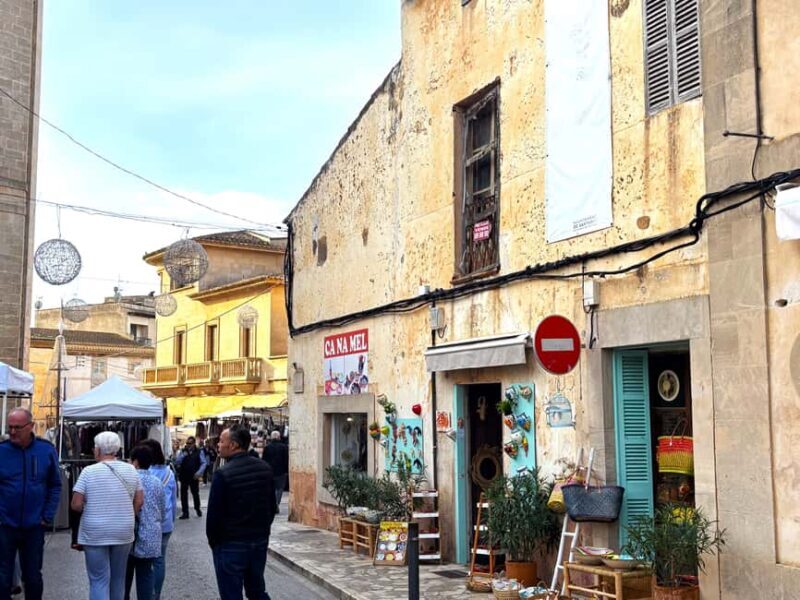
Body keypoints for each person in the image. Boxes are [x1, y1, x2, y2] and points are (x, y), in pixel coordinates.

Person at [206, 425, 277, 600]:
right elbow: (271, 506)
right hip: (258, 541)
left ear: (234, 445)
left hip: (230, 544)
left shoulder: (222, 474)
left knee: (231, 594)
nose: (218, 445)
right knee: (256, 590)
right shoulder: (265, 468)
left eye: (222, 441)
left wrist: (215, 543)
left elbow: (214, 516)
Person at [71, 431, 143, 600]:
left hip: (95, 531)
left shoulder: (88, 472)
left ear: (98, 450)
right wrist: (127, 515)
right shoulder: (131, 470)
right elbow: (139, 501)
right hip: (123, 530)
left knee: (98, 580)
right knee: (118, 579)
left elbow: (76, 504)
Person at [0, 408, 61, 600]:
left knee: (33, 577)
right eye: (10, 428)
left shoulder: (46, 450)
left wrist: (47, 516)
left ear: (30, 426)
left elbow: (55, 485)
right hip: (4, 526)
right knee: (2, 577)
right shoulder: (2, 451)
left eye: (18, 427)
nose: (13, 432)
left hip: (34, 525)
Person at [124, 445, 165, 600]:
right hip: (151, 536)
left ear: (135, 462)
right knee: (146, 574)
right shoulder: (157, 482)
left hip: (129, 535)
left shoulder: (128, 480)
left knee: (124, 576)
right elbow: (162, 509)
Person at [138, 440, 176, 600]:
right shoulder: (169, 472)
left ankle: (145, 593)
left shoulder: (144, 473)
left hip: (147, 522)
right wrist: (172, 520)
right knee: (160, 561)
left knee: (143, 563)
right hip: (165, 522)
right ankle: (156, 594)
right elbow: (174, 500)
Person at [174, 437, 206, 519]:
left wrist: (199, 473)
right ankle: (185, 512)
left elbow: (203, 463)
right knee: (183, 494)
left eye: (190, 443)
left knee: (195, 493)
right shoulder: (183, 451)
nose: (188, 445)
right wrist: (183, 455)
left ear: (194, 443)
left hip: (194, 476)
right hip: (184, 475)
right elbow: (177, 461)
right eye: (187, 443)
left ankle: (197, 508)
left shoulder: (199, 452)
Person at [262, 431, 289, 510]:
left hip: (270, 471)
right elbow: (286, 459)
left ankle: (273, 504)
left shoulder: (267, 447)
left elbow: (264, 460)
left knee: (272, 488)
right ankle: (276, 503)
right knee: (280, 488)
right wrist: (286, 470)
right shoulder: (284, 447)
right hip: (281, 471)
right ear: (279, 437)